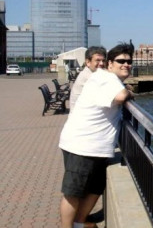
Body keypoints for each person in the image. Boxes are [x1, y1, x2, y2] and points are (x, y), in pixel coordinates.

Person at [58, 43, 134, 228]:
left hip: (94, 146)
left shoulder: (104, 77)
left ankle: (80, 223)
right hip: (83, 145)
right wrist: (130, 92)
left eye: (129, 61)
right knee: (74, 192)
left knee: (94, 188)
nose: (126, 64)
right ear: (110, 64)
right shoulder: (106, 79)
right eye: (121, 61)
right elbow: (121, 97)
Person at [69, 46, 107, 112]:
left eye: (103, 60)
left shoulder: (89, 73)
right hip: (82, 119)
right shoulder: (90, 77)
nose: (101, 63)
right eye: (97, 60)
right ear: (88, 62)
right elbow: (117, 96)